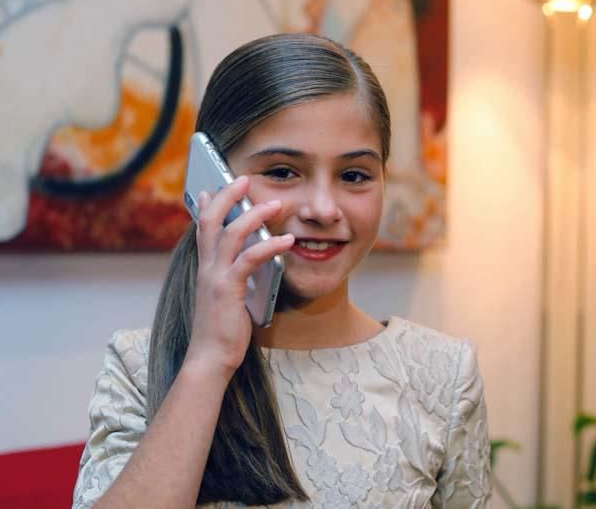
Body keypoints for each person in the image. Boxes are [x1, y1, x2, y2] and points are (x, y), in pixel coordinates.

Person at [73, 33, 490, 509]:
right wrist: (210, 362)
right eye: (283, 171)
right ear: (211, 180)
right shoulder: (139, 368)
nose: (322, 208)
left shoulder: (443, 375)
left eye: (354, 175)